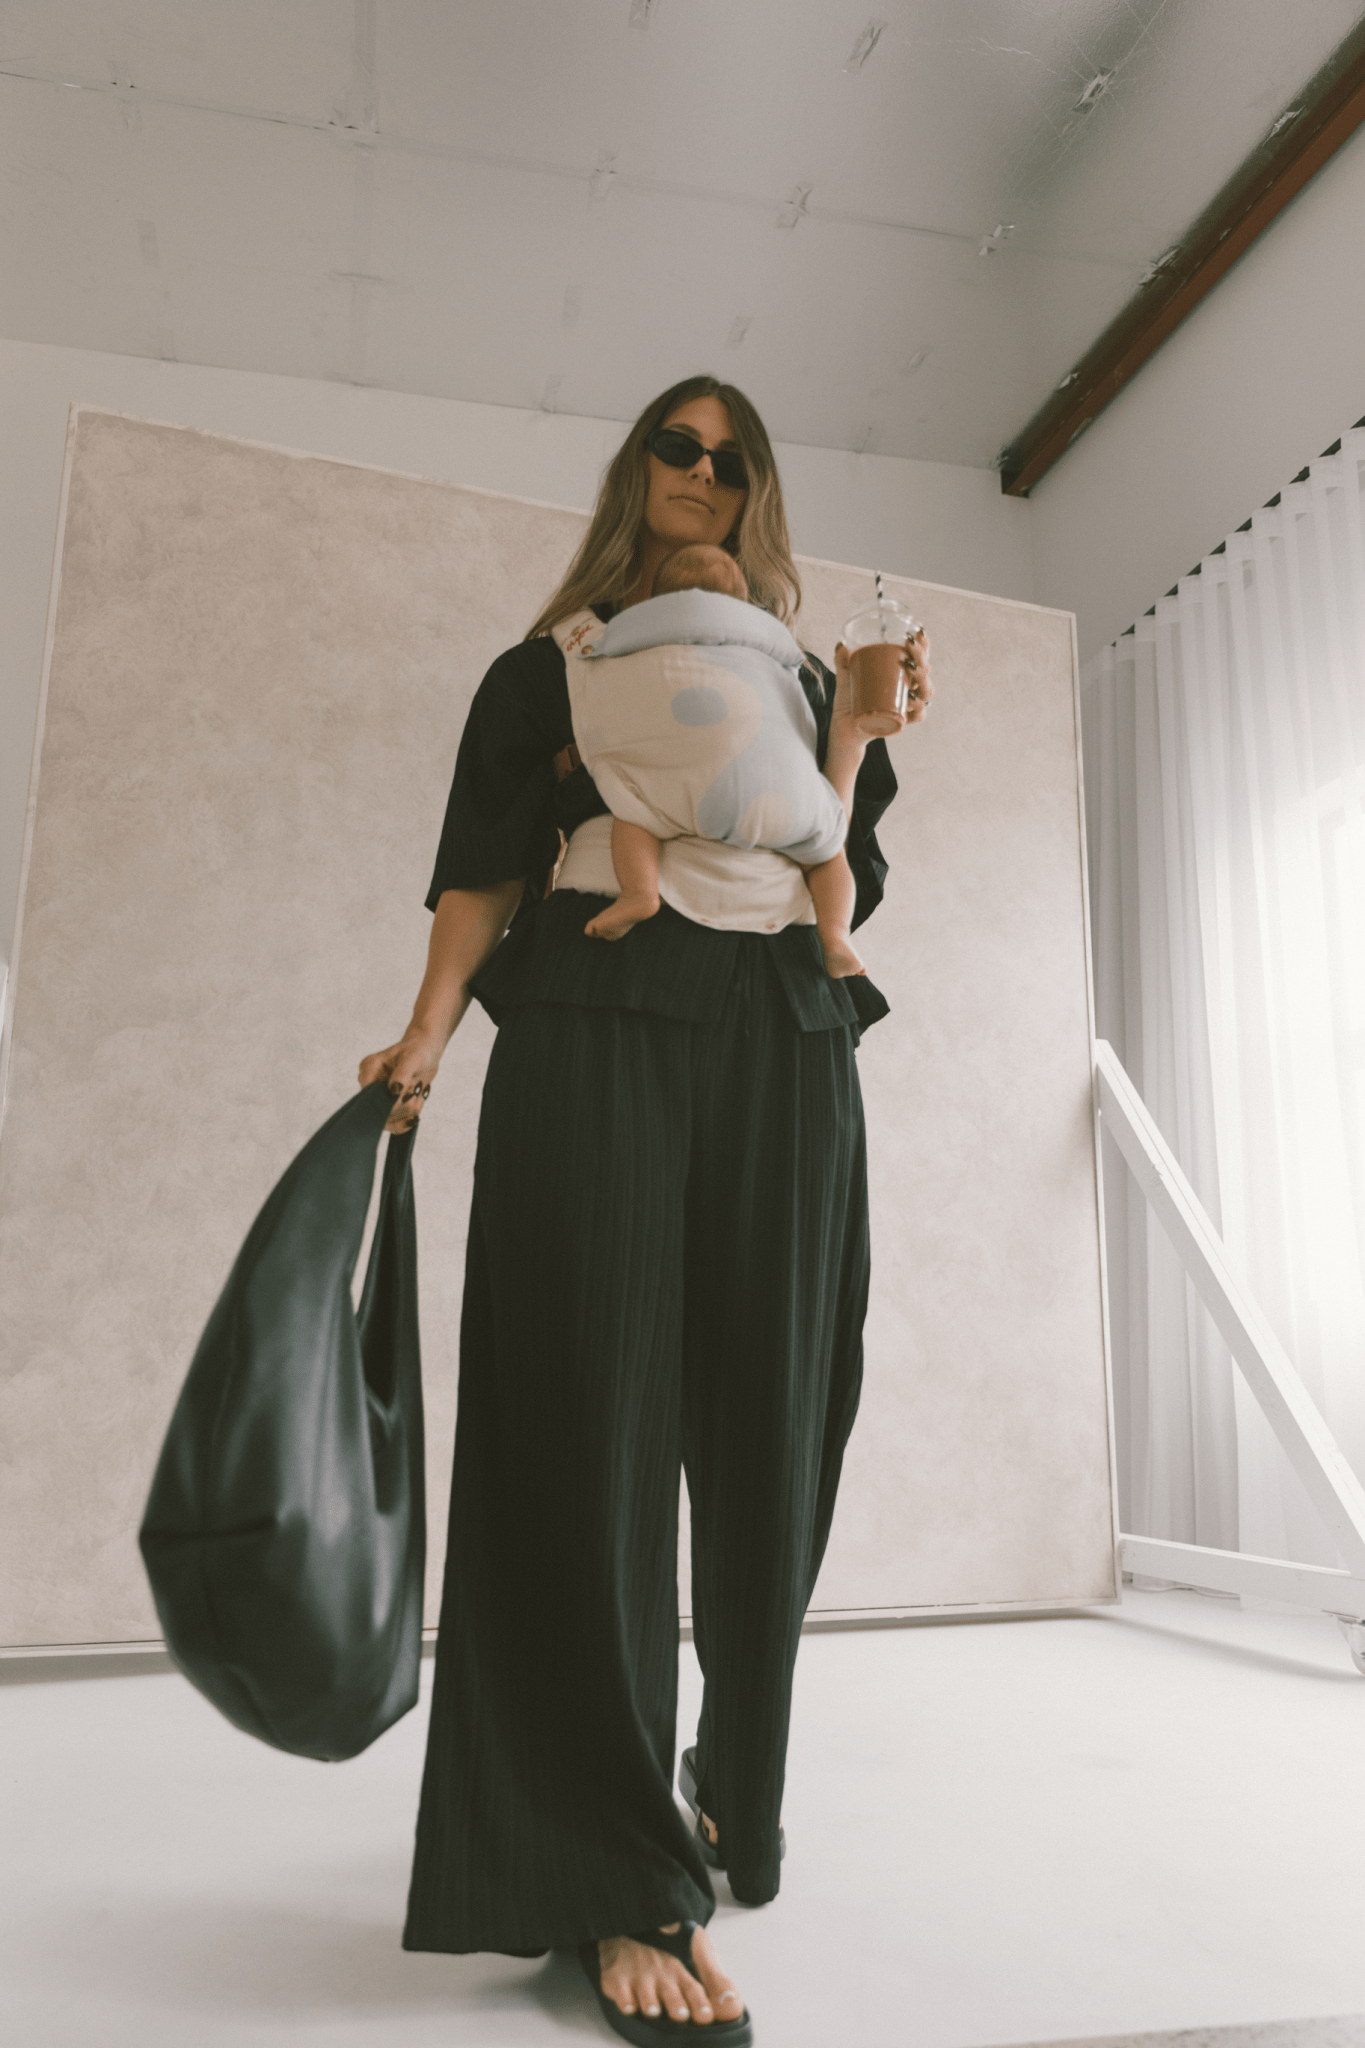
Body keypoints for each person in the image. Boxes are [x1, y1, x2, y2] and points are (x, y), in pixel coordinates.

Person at [357, 373, 932, 2044]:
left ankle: (730, 1777)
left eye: (731, 460)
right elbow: (484, 864)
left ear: (759, 496)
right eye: (677, 448)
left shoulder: (803, 674)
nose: (702, 472)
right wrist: (425, 1032)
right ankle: (613, 1871)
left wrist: (864, 735)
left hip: (786, 1036)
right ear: (636, 473)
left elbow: (841, 865)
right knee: (586, 1422)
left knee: (780, 1416)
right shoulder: (546, 669)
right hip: (598, 1020)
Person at [574, 540, 869, 980]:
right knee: (828, 858)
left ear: (659, 598)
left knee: (633, 813)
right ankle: (837, 935)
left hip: (689, 800)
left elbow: (602, 661)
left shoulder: (639, 632)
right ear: (744, 600)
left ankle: (639, 893)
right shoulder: (777, 650)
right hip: (784, 801)